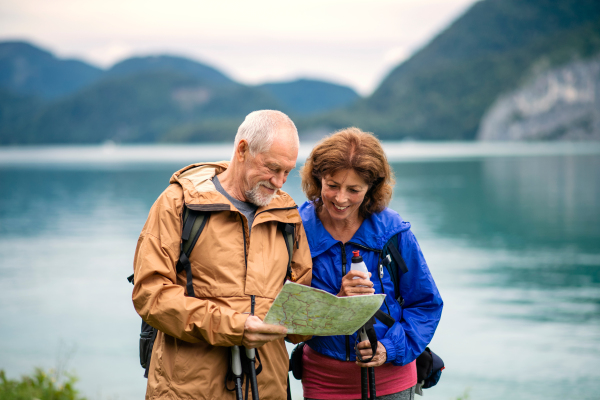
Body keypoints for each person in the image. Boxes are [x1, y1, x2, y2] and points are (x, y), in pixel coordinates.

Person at [132, 110, 312, 400]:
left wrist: (333, 309)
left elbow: (298, 313)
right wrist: (234, 327)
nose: (280, 181)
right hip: (187, 391)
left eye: (287, 171)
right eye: (272, 168)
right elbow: (151, 295)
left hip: (268, 389)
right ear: (242, 149)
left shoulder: (288, 215)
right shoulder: (178, 204)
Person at [298, 127, 443, 400]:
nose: (340, 199)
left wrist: (389, 348)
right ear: (318, 179)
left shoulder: (394, 233)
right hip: (323, 382)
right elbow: (280, 308)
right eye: (332, 185)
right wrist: (336, 302)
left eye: (354, 190)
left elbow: (426, 304)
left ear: (372, 188)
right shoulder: (295, 230)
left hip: (392, 380)